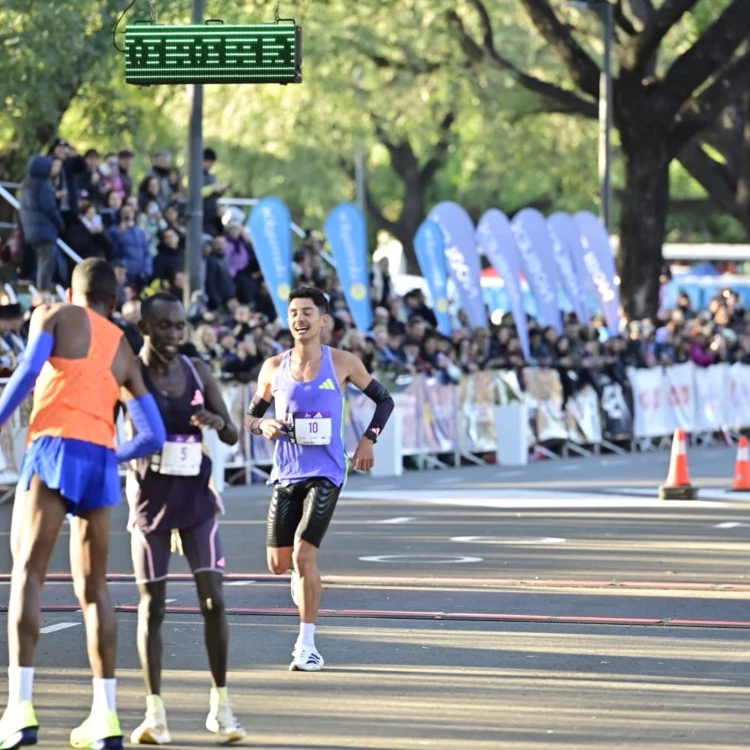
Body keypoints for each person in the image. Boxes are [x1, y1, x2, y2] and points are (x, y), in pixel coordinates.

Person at [0, 258, 167, 750]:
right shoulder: (123, 348)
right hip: (98, 457)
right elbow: (153, 433)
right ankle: (106, 717)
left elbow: (28, 372)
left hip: (52, 446)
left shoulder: (51, 315)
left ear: (72, 292)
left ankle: (20, 710)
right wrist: (115, 449)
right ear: (113, 303)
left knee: (29, 572)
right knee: (95, 588)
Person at [244, 287, 395, 671]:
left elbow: (385, 400)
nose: (300, 318)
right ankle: (298, 576)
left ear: (323, 321)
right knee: (279, 565)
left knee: (304, 554)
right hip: (287, 472)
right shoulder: (273, 368)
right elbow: (248, 418)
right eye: (294, 312)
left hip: (327, 471)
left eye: (308, 312)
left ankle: (307, 645)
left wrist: (367, 440)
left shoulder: (343, 362)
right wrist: (264, 424)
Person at [125, 292, 246, 745]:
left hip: (196, 499)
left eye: (180, 326)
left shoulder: (197, 371)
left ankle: (222, 705)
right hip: (151, 501)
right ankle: (154, 713)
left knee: (213, 598)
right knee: (152, 606)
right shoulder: (131, 374)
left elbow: (232, 433)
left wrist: (215, 420)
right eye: (164, 326)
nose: (174, 335)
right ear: (145, 328)